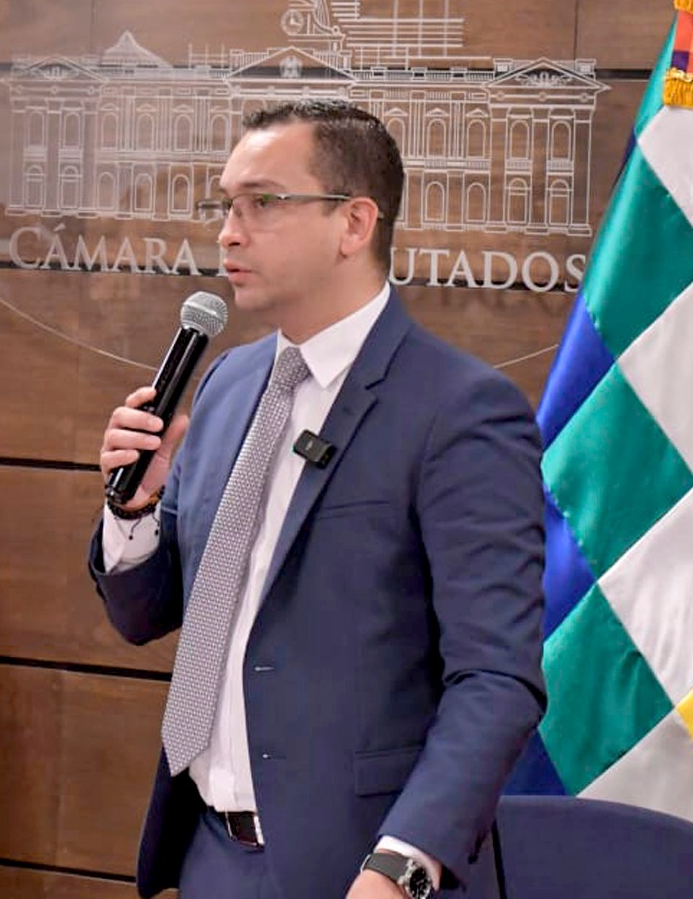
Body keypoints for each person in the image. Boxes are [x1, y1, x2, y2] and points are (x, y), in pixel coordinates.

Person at [92, 100, 545, 899]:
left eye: (262, 203)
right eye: (225, 206)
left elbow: (497, 677)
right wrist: (133, 512)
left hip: (359, 866)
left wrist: (402, 865)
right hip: (206, 851)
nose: (229, 232)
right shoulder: (229, 383)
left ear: (354, 223)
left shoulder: (460, 409)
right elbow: (149, 617)